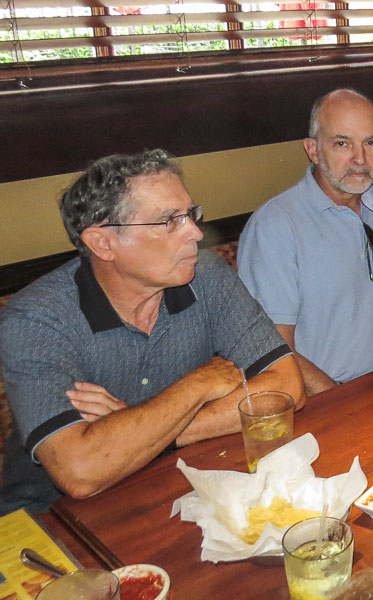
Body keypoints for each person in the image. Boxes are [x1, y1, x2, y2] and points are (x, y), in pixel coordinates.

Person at [0, 150, 304, 516]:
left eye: (190, 214)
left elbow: (286, 388)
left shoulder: (206, 275)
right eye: (168, 221)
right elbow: (80, 472)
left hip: (170, 490)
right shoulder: (36, 320)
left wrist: (145, 431)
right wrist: (199, 385)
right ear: (103, 243)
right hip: (51, 522)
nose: (195, 232)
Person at [238, 89, 373, 395]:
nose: (360, 158)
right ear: (312, 150)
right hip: (328, 399)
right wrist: (339, 403)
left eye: (371, 142)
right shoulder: (275, 226)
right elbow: (272, 350)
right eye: (342, 143)